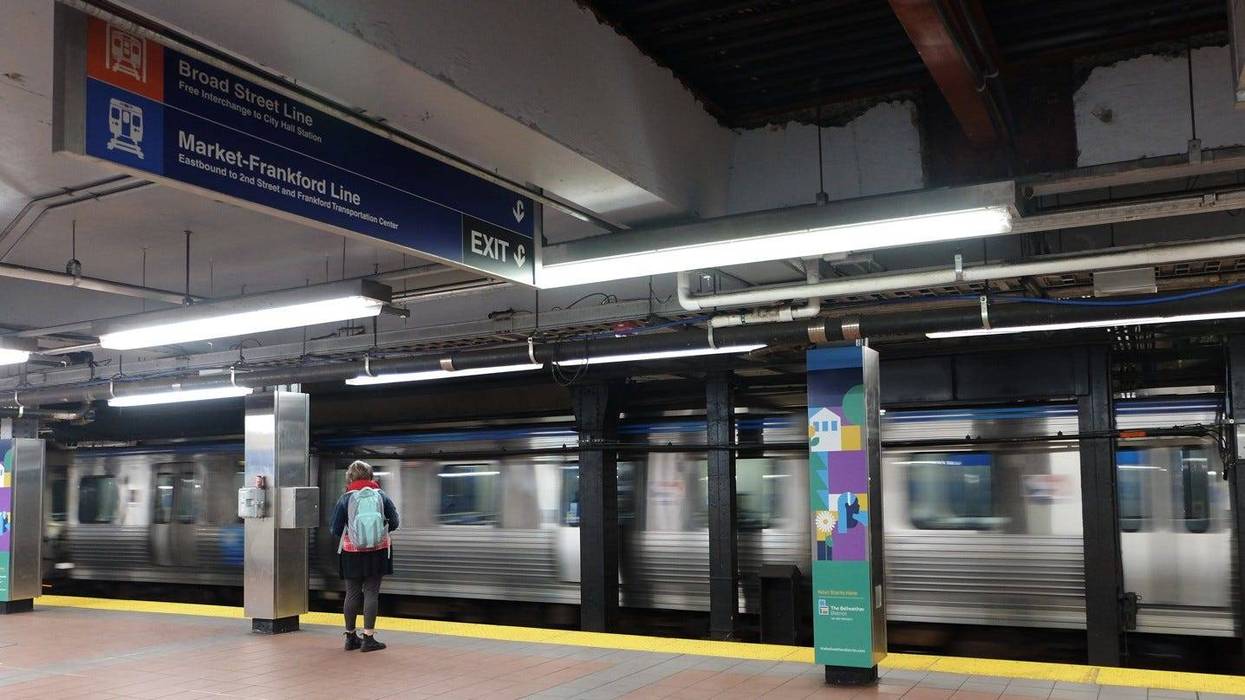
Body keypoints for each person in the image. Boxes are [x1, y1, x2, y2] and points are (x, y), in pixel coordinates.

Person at [329, 460, 400, 652]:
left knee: (351, 594)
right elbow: (395, 522)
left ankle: (351, 638)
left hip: (351, 553)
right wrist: (378, 531)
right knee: (371, 594)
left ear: (349, 478)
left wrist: (353, 533)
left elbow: (335, 529)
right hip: (378, 552)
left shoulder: (345, 498)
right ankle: (368, 639)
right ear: (371, 476)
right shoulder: (381, 496)